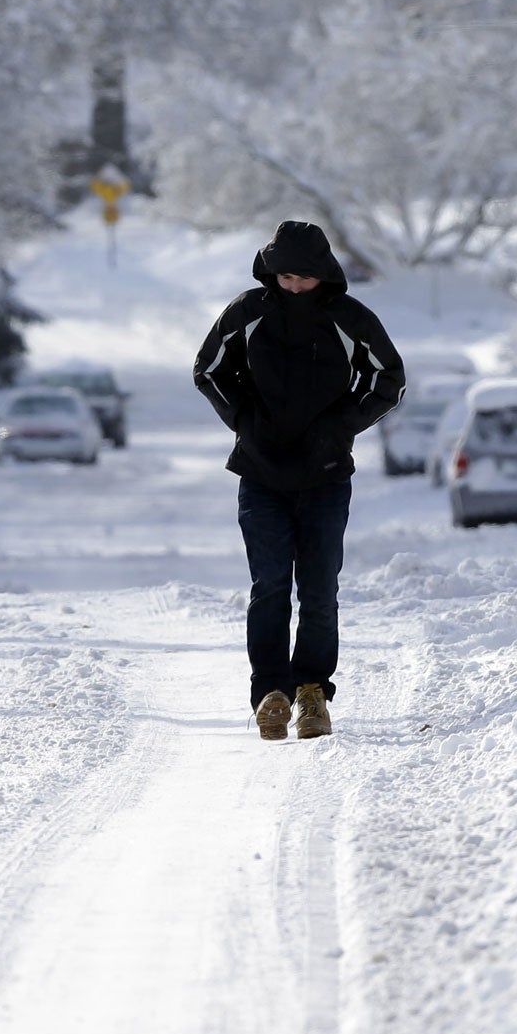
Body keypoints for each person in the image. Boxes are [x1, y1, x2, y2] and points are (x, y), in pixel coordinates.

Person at [193, 220, 405, 740]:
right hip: (260, 474)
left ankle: (312, 693)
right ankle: (271, 693)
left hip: (326, 476)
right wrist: (245, 421)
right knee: (269, 587)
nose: (292, 286)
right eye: (285, 276)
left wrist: (340, 428)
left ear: (323, 274)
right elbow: (207, 369)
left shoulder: (349, 318)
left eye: (303, 278)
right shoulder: (247, 312)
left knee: (318, 588)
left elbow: (389, 379)